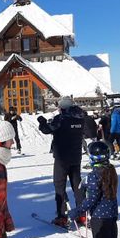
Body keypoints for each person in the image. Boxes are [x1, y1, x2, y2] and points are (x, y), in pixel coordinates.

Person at [38, 96, 85, 227]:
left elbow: (47, 129)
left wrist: (42, 121)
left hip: (62, 158)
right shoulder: (80, 118)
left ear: (63, 108)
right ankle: (83, 215)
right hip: (76, 157)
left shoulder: (61, 119)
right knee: (77, 186)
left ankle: (62, 216)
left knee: (59, 185)